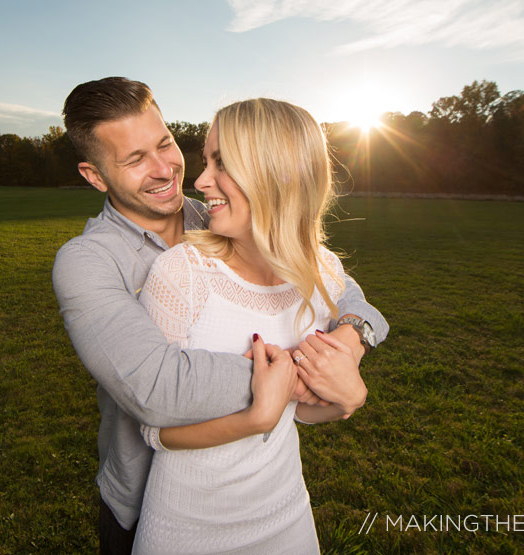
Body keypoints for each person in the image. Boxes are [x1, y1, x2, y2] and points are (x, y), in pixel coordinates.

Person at [52, 77, 387, 554]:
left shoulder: (220, 216)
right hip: (144, 496)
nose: (166, 169)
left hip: (265, 497)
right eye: (134, 160)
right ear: (95, 176)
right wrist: (305, 375)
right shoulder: (86, 262)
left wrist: (351, 343)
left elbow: (339, 288)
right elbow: (157, 387)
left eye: (165, 144)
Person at [131, 98, 365, 553]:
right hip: (186, 529)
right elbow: (153, 431)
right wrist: (255, 416)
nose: (199, 181)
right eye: (206, 161)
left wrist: (346, 400)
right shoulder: (182, 273)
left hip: (287, 518)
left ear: (279, 173)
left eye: (222, 163)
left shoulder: (325, 274)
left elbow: (300, 410)